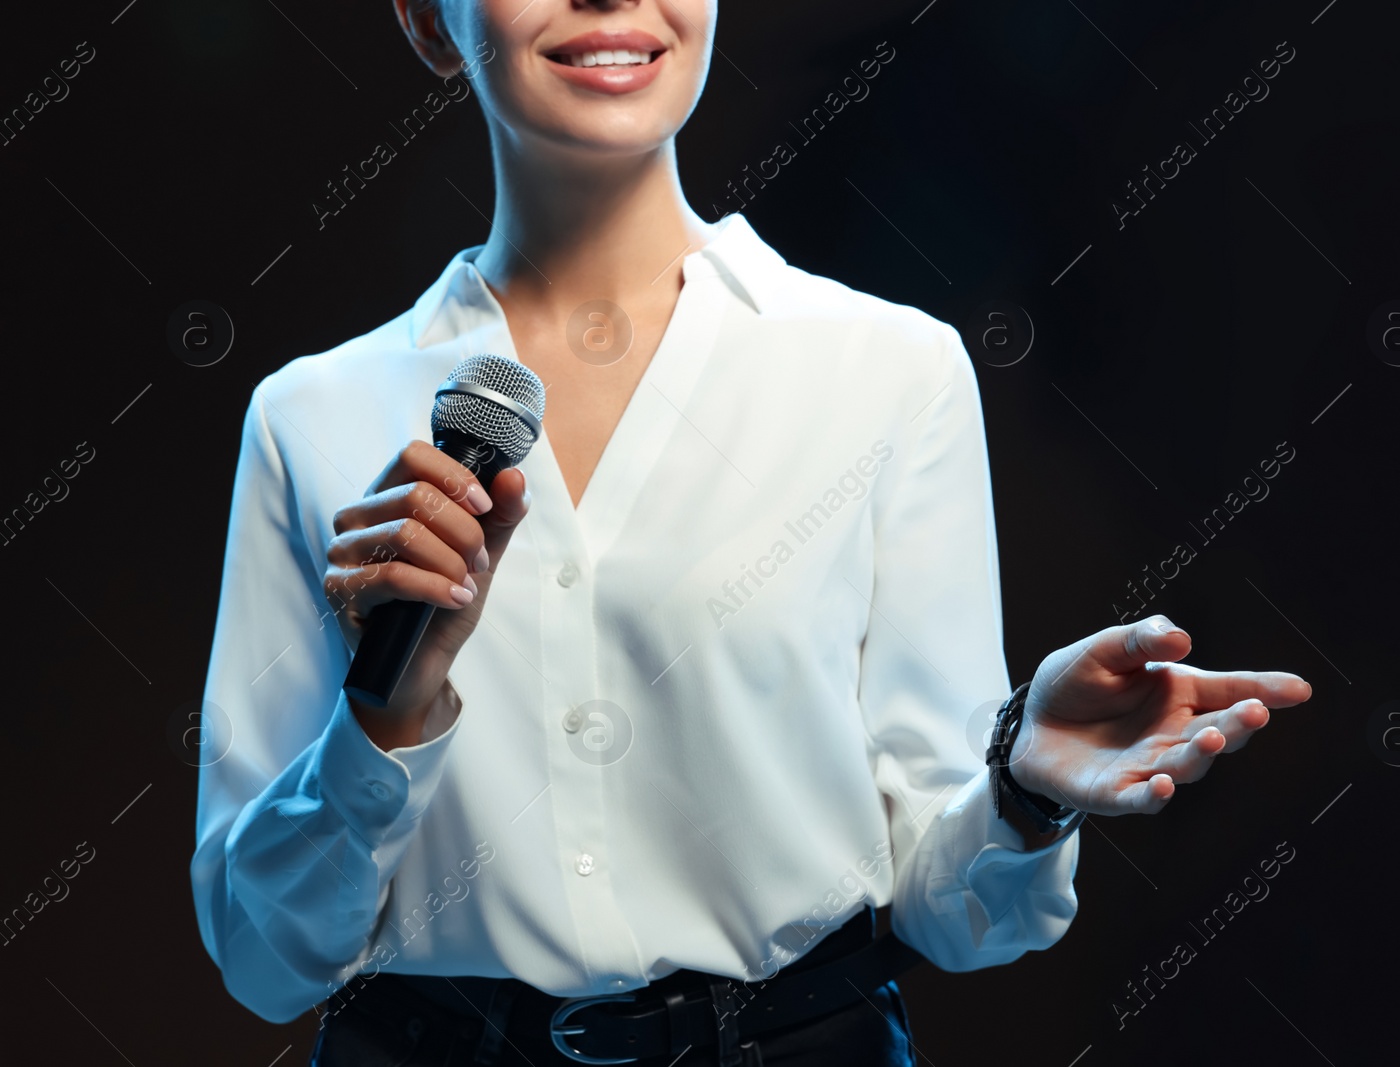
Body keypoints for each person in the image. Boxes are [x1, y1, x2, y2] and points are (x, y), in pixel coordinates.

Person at [190, 2, 1313, 1064]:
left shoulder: (888, 372)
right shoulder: (312, 417)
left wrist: (1022, 789)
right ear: (429, 19)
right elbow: (265, 957)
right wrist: (383, 717)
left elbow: (950, 909)